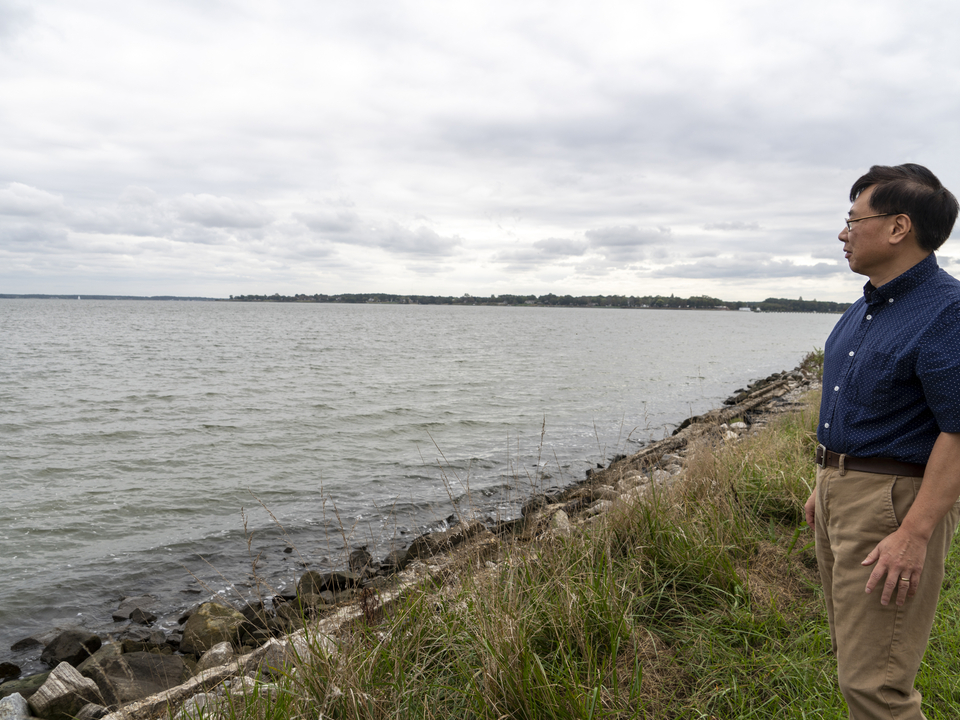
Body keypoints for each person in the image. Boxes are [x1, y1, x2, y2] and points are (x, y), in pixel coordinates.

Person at [804, 163, 960, 719]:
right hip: (842, 492)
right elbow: (860, 402)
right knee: (857, 661)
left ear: (899, 227)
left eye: (853, 219)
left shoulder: (948, 308)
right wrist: (828, 478)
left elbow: (959, 429)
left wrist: (915, 533)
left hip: (892, 507)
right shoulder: (868, 304)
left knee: (878, 686)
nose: (844, 233)